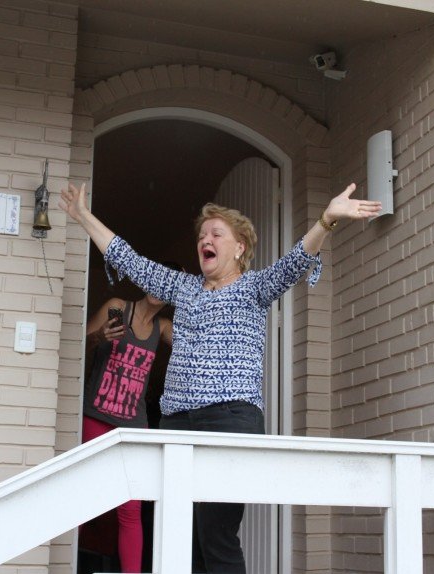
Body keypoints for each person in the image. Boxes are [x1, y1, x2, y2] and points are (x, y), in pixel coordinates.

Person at [61, 182, 381, 574]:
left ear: (239, 248)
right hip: (177, 424)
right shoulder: (184, 287)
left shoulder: (253, 287)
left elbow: (295, 262)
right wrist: (82, 216)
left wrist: (327, 220)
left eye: (216, 234)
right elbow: (130, 260)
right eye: (201, 236)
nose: (204, 240)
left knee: (217, 536)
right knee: (181, 534)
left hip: (230, 420)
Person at [80, 287, 175, 573]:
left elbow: (196, 348)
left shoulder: (163, 328)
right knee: (82, 496)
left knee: (130, 510)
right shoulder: (117, 306)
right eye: (155, 276)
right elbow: (76, 346)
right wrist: (100, 337)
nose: (159, 285)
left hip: (134, 426)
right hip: (96, 416)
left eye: (168, 281)